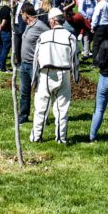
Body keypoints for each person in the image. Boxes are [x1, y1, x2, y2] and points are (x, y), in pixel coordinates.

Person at [29, 8, 79, 144]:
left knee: (41, 107)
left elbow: (36, 59)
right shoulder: (70, 36)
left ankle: (36, 136)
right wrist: (76, 76)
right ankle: (61, 138)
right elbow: (75, 59)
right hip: (64, 73)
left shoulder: (43, 37)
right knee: (62, 108)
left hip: (45, 74)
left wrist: (34, 79)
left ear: (52, 20)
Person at [16, 3, 49, 124]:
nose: (21, 16)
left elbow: (50, 36)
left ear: (26, 14)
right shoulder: (28, 25)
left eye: (21, 14)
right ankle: (23, 115)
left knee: (39, 92)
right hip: (24, 65)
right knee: (24, 92)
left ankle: (41, 116)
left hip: (34, 65)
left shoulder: (40, 26)